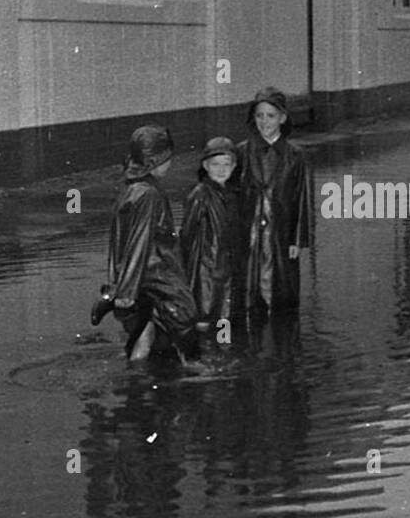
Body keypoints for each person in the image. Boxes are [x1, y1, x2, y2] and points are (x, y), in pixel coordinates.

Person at [99, 125, 199, 362]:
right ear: (155, 160)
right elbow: (139, 241)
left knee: (146, 329)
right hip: (156, 274)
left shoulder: (132, 188)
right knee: (184, 316)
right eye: (168, 159)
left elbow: (121, 240)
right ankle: (195, 370)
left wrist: (119, 283)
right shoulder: (149, 194)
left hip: (140, 277)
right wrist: (126, 292)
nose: (170, 164)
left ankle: (137, 377)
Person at [235, 87, 312, 314]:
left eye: (270, 116)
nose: (264, 122)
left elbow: (301, 197)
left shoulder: (295, 155)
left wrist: (297, 239)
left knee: (282, 293)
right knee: (249, 291)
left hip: (281, 234)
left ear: (282, 118)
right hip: (249, 233)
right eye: (259, 115)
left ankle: (283, 339)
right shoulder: (242, 152)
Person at [180, 136, 241, 329]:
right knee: (206, 320)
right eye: (215, 164)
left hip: (228, 271)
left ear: (234, 166)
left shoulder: (233, 194)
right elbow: (187, 237)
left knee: (225, 323)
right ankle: (207, 355)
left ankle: (223, 355)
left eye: (226, 164)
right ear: (206, 166)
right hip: (206, 274)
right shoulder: (200, 194)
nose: (221, 169)